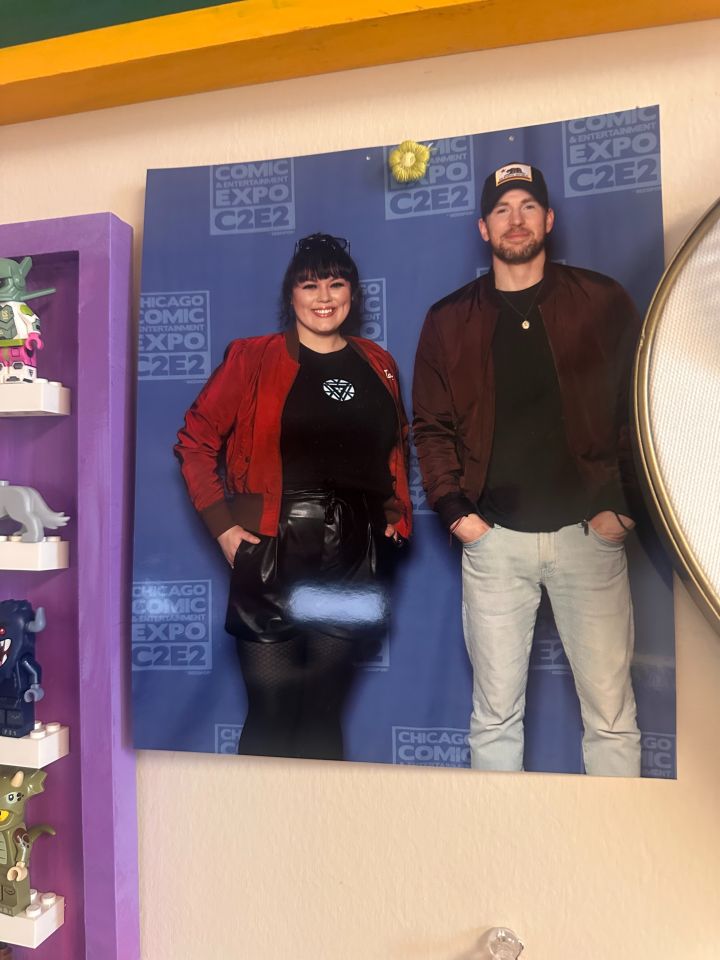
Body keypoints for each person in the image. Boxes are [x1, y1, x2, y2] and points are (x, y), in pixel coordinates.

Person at [412, 162, 642, 776]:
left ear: (549, 219)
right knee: (494, 720)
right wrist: (459, 516)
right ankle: (498, 862)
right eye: (502, 210)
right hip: (494, 544)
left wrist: (623, 507)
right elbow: (430, 428)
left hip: (589, 539)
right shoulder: (447, 319)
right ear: (483, 228)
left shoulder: (603, 301)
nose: (516, 220)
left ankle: (611, 861)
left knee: (612, 719)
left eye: (528, 206)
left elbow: (640, 406)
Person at [175, 233, 412, 761]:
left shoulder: (379, 362)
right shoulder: (253, 357)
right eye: (310, 284)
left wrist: (396, 516)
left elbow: (394, 446)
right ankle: (256, 839)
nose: (324, 295)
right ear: (292, 295)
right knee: (273, 713)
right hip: (274, 549)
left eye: (336, 282)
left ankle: (318, 839)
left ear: (353, 292)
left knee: (324, 710)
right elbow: (195, 441)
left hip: (355, 555)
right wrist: (225, 529)